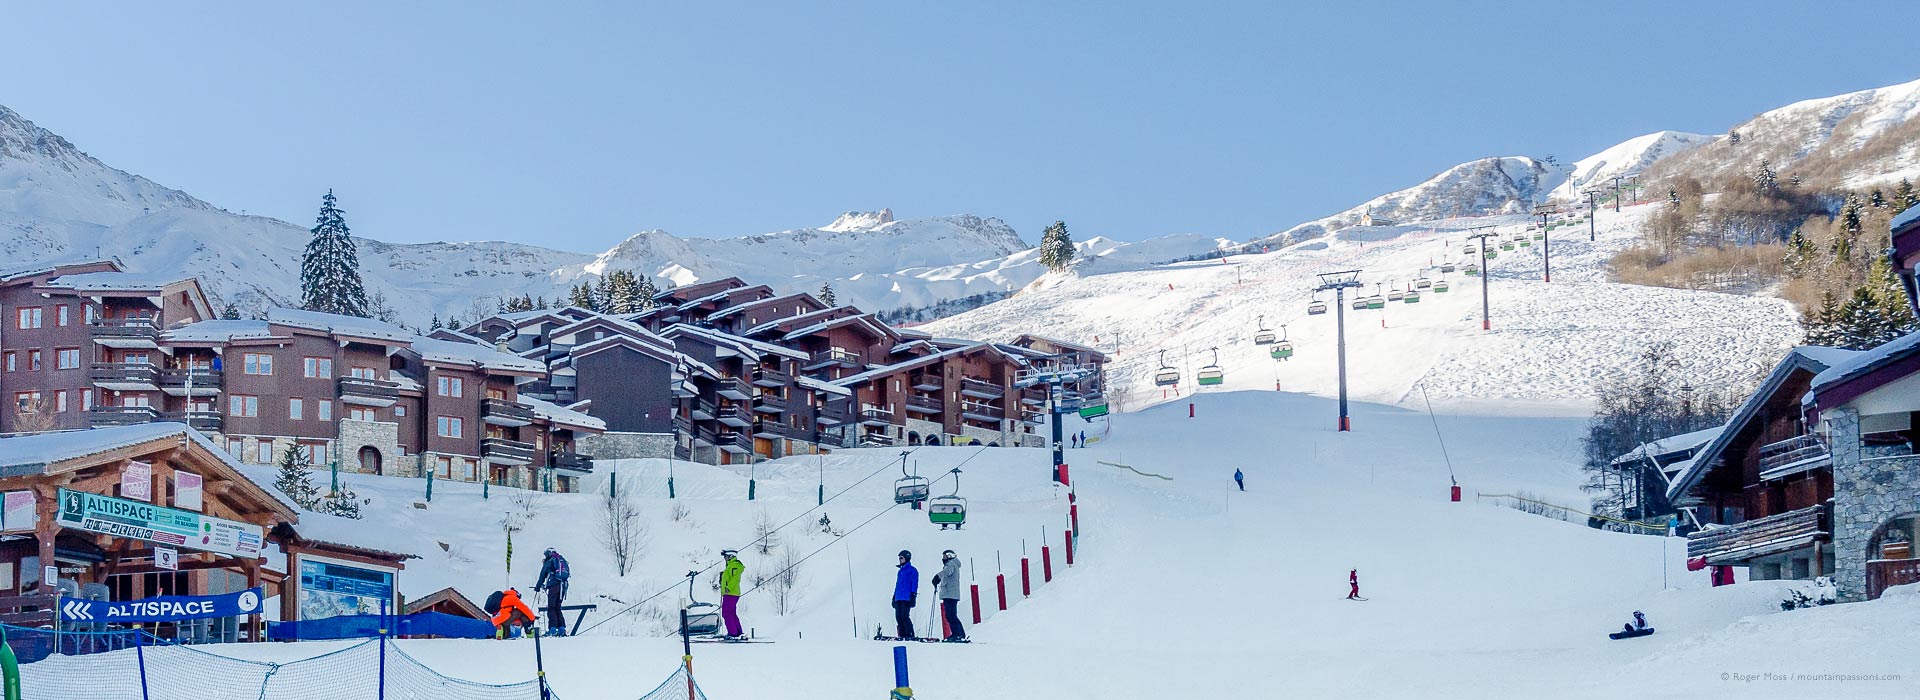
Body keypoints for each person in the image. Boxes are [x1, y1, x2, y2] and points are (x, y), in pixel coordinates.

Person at [534, 548, 570, 636]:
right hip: (563, 587)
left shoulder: (550, 561)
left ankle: (552, 629)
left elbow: (543, 574)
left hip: (554, 586)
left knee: (551, 607)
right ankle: (562, 629)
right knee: (558, 607)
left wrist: (538, 586)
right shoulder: (561, 559)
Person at [932, 550, 966, 641]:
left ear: (949, 556)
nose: (943, 559)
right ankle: (960, 634)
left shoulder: (951, 564)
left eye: (944, 557)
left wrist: (937, 577)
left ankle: (957, 634)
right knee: (951, 615)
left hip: (950, 594)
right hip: (950, 594)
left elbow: (947, 572)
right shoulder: (953, 564)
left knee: (950, 615)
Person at [892, 550, 919, 639]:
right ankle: (902, 634)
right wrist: (894, 596)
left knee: (904, 616)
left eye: (901, 558)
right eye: (899, 558)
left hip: (906, 597)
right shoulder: (900, 571)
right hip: (899, 597)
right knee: (898, 617)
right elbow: (897, 584)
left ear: (907, 558)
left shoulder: (912, 570)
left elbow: (914, 583)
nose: (899, 560)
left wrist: (913, 595)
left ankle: (909, 634)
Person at [720, 549, 745, 638]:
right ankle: (737, 631)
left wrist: (728, 588)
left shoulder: (734, 566)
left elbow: (735, 578)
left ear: (730, 556)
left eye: (725, 556)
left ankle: (733, 633)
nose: (724, 558)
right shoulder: (730, 566)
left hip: (731, 593)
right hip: (730, 593)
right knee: (731, 613)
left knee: (726, 613)